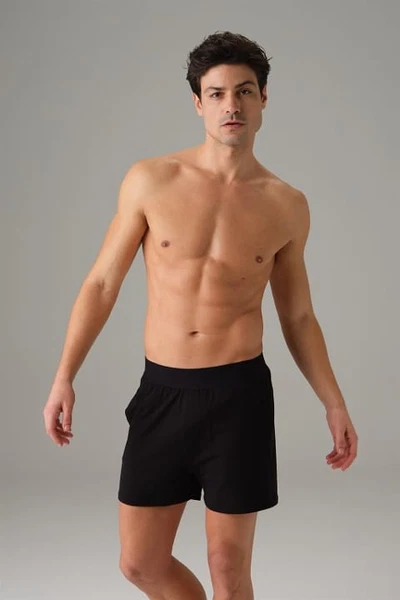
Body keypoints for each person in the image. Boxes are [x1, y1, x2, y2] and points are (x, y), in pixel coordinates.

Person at [43, 30, 358, 600]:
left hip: (239, 396)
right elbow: (101, 283)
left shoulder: (286, 204)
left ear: (264, 98)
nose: (231, 105)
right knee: (140, 563)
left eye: (244, 91)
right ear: (198, 103)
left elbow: (298, 317)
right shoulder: (151, 180)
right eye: (216, 94)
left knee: (228, 569)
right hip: (164, 391)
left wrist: (333, 402)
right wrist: (65, 375)